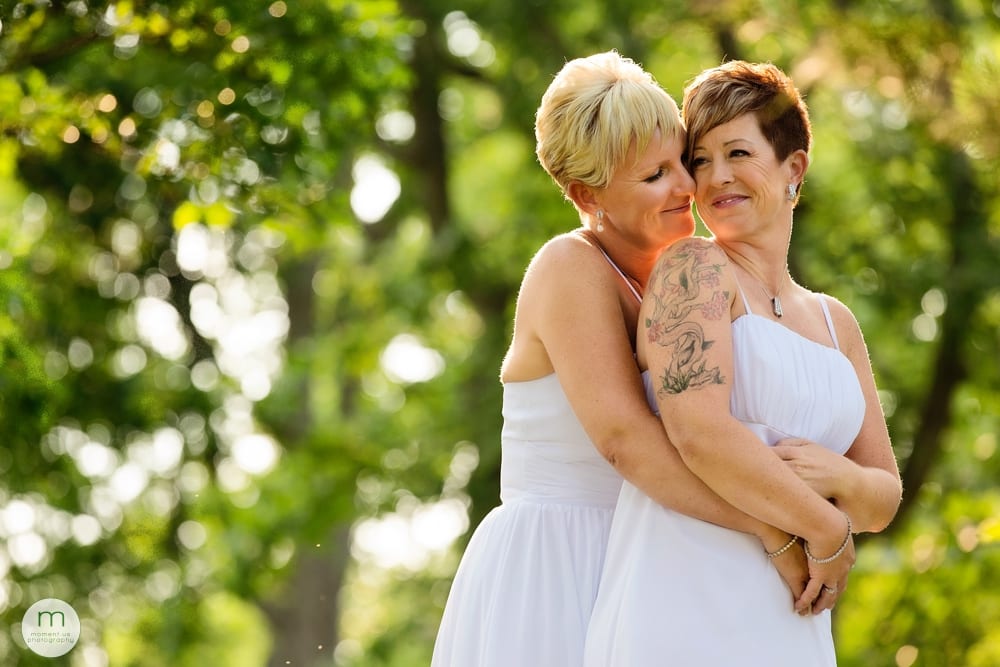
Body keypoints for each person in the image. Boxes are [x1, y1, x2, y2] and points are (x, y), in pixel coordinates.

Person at [432, 52, 815, 667]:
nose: (688, 187)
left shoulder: (680, 275)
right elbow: (626, 441)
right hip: (563, 561)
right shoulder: (569, 266)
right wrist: (770, 527)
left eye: (681, 162)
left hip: (653, 554)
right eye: (655, 174)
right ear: (587, 193)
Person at [584, 60, 903, 666]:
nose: (716, 177)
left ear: (794, 167)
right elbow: (698, 433)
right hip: (685, 594)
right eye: (699, 159)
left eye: (737, 153)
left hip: (792, 617)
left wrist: (843, 481)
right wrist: (827, 528)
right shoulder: (692, 271)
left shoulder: (837, 323)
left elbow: (883, 497)